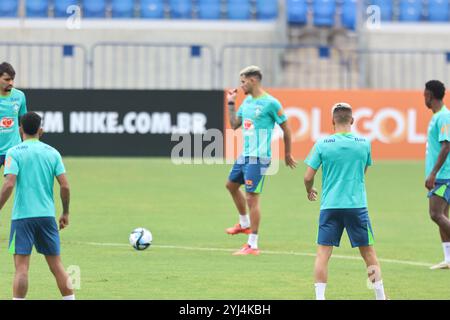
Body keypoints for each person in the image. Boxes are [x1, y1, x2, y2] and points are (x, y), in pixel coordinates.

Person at [304, 102, 386, 300]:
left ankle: (320, 298)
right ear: (353, 120)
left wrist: (310, 190)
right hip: (356, 206)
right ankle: (380, 297)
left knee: (323, 254)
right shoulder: (364, 143)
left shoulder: (322, 144)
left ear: (332, 121)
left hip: (330, 206)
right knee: (368, 254)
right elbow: (363, 172)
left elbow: (307, 177)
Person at [0, 112, 74, 300]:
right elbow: (65, 185)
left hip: (22, 218)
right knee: (56, 265)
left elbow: (9, 183)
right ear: (41, 130)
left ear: (20, 130)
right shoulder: (52, 152)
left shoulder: (14, 152)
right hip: (47, 216)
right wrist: (65, 212)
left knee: (22, 268)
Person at [226, 65, 296, 256]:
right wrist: (231, 103)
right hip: (245, 155)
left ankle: (253, 245)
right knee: (231, 185)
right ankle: (244, 223)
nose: (241, 86)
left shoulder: (271, 103)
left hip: (260, 156)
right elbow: (234, 125)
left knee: (252, 197)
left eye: (243, 82)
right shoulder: (246, 102)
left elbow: (287, 129)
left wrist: (287, 153)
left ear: (253, 80)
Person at [424, 80, 450, 270]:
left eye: (424, 94)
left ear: (429, 95)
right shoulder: (437, 117)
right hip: (441, 174)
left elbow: (447, 145)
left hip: (443, 175)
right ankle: (448, 259)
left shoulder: (444, 117)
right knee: (443, 214)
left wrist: (433, 173)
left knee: (435, 214)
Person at [0, 62, 27, 167]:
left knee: (11, 182)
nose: (10, 82)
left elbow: (24, 122)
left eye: (12, 79)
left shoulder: (19, 96)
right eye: (6, 79)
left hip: (13, 150)